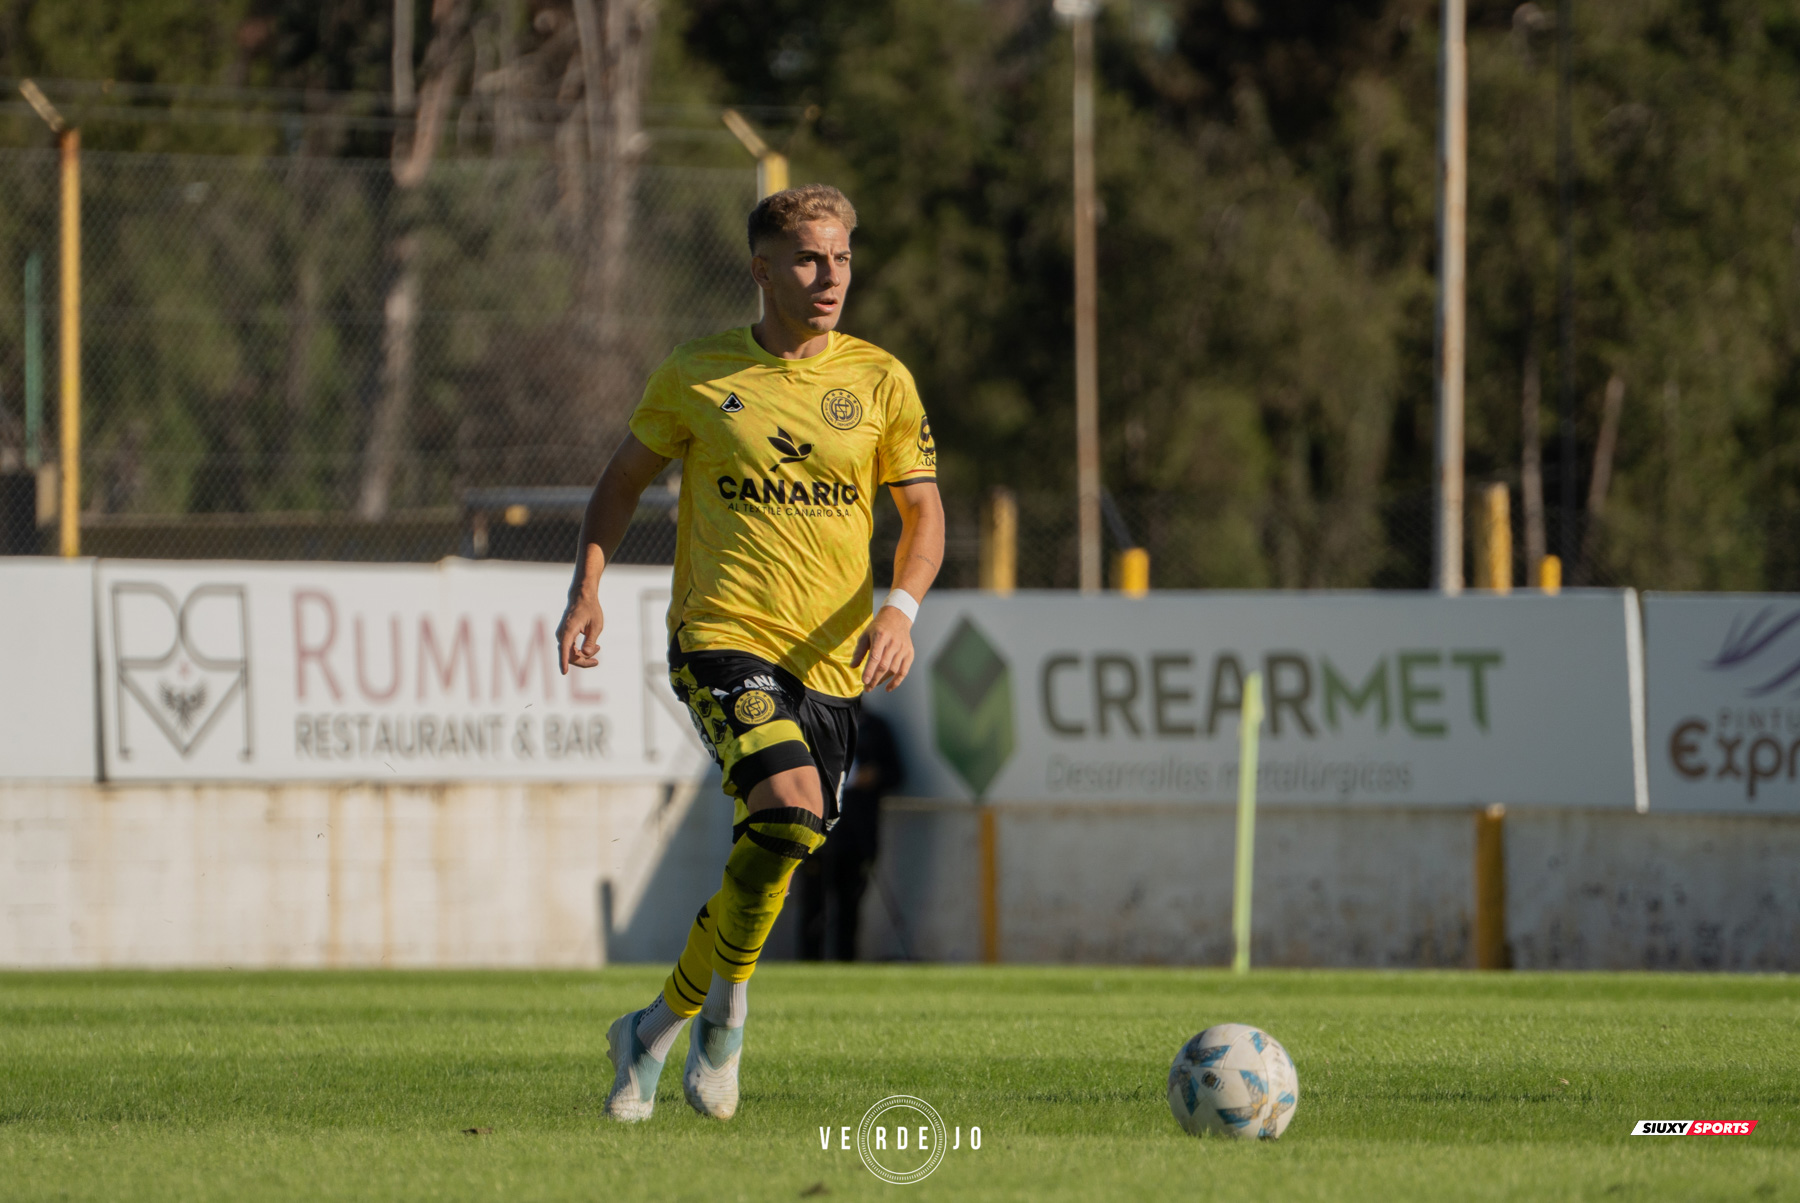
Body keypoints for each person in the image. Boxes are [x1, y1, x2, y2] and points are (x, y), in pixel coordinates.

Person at [555, 183, 945, 1123]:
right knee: (791, 807)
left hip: (835, 662)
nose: (830, 277)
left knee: (785, 842)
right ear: (763, 269)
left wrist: (900, 609)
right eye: (809, 259)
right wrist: (587, 586)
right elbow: (619, 484)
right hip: (721, 636)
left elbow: (924, 512)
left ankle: (658, 1024)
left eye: (843, 257)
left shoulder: (882, 380)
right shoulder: (697, 372)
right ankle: (723, 1018)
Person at [797, 709, 904, 962]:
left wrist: (875, 775)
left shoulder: (875, 726)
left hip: (858, 835)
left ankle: (846, 965)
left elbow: (896, 774)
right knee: (813, 909)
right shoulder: (809, 720)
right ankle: (808, 969)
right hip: (816, 835)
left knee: (850, 909)